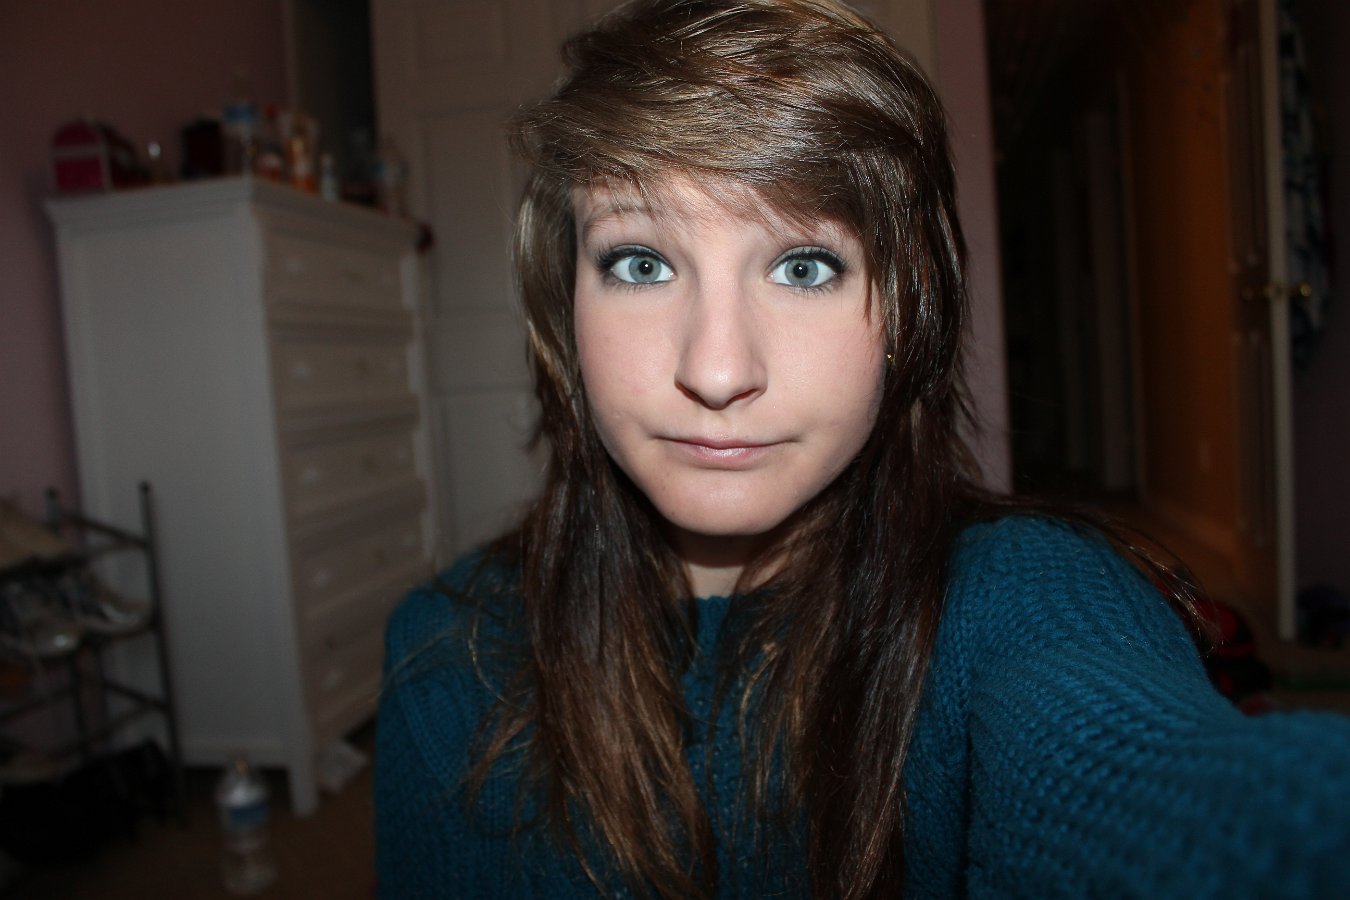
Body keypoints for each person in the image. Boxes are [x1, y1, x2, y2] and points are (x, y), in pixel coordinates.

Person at [375, 1, 1350, 897]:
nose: (717, 369)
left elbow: (1171, 798)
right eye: (642, 262)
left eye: (805, 266)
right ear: (565, 306)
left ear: (910, 315)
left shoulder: (1025, 599)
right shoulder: (449, 657)